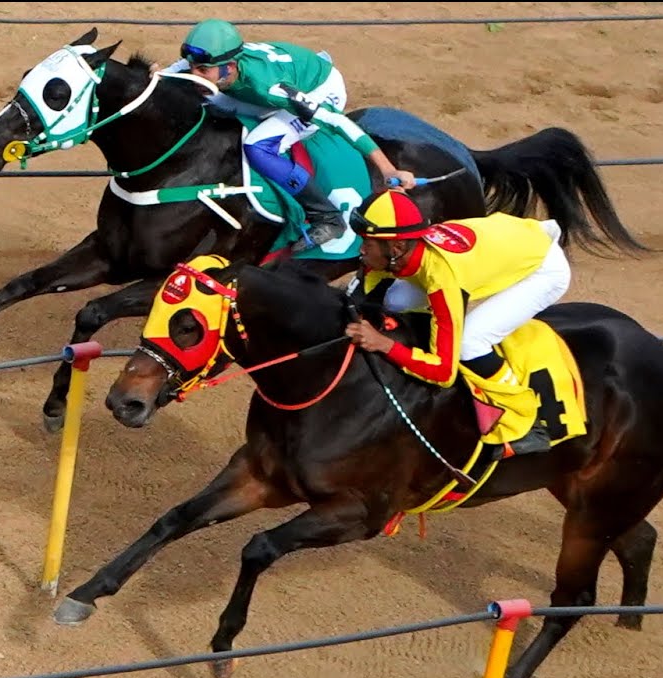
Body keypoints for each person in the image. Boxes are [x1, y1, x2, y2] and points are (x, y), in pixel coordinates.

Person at [343, 190, 573, 458]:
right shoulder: (398, 248)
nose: (361, 249)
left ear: (396, 248)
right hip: (511, 243)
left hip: (542, 269)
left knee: (469, 341)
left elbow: (443, 372)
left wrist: (385, 345)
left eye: (367, 243)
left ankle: (528, 422)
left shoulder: (442, 278)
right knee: (395, 300)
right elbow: (360, 294)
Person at [158, 18, 417, 249]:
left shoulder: (269, 87)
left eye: (203, 71)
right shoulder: (213, 64)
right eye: (193, 67)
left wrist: (387, 169)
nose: (195, 74)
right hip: (280, 75)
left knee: (258, 145)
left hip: (320, 91)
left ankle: (325, 215)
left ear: (231, 66)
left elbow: (338, 122)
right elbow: (158, 79)